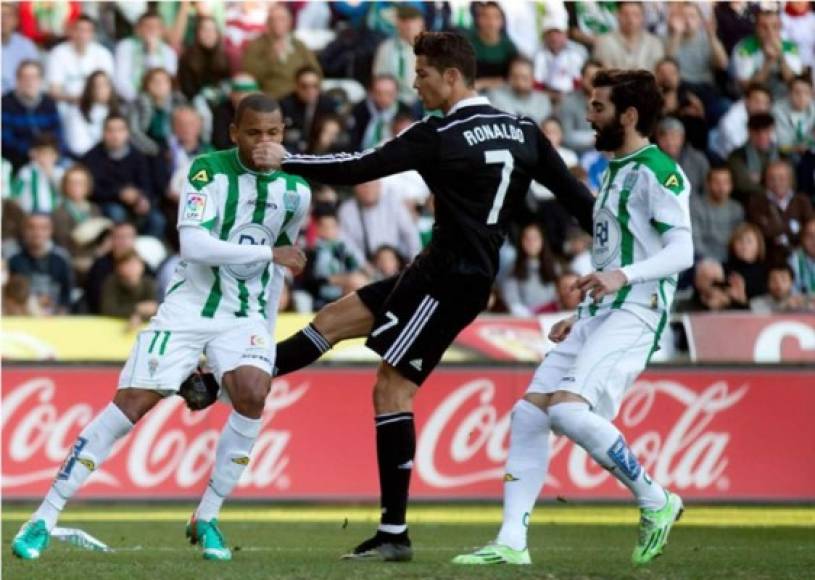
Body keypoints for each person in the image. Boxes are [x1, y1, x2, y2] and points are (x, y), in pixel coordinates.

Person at [180, 30, 594, 562]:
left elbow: (357, 168)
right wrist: (616, 262)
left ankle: (394, 534)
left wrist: (288, 159)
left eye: (421, 73)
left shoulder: (440, 134)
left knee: (391, 389)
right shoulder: (525, 130)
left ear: (451, 76)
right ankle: (216, 384)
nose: (414, 82)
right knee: (333, 319)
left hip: (450, 278)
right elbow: (578, 199)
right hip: (446, 270)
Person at [10, 93, 310, 562]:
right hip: (188, 307)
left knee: (253, 391)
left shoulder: (297, 192)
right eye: (254, 133)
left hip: (246, 314)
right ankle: (42, 518)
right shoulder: (206, 170)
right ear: (234, 133)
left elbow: (280, 272)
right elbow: (193, 244)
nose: (264, 143)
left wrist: (265, 339)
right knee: (131, 405)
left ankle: (207, 516)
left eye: (273, 134)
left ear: (284, 134)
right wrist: (268, 253)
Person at [453, 68, 692, 566]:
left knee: (566, 410)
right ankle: (512, 543)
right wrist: (582, 309)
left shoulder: (658, 171)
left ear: (628, 116)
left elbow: (682, 251)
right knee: (529, 414)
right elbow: (615, 254)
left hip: (638, 311)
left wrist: (622, 277)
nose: (588, 115)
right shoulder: (614, 171)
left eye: (599, 107)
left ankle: (656, 499)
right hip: (601, 310)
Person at [81, 114, 165, 238]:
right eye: (110, 130)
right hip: (106, 203)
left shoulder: (138, 157)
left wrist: (143, 198)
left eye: (120, 130)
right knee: (116, 213)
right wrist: (119, 193)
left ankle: (144, 254)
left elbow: (147, 183)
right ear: (103, 133)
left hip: (135, 203)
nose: (115, 135)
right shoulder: (91, 158)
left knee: (157, 220)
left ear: (127, 133)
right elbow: (91, 190)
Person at [241, 3, 322, 100]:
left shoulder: (299, 45)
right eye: (273, 20)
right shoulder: (256, 45)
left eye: (282, 19)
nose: (277, 23)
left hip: (298, 99)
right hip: (268, 98)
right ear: (267, 23)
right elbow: (249, 77)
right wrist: (270, 59)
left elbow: (316, 72)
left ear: (290, 22)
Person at [337, 179, 422, 266]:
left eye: (371, 185)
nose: (368, 190)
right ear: (356, 188)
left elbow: (410, 233)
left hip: (397, 262)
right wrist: (364, 266)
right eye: (363, 186)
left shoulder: (393, 203)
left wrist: (414, 261)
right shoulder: (346, 210)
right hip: (366, 266)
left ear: (379, 186)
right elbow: (347, 243)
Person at [746, 159, 814, 263]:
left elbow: (810, 229)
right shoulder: (756, 202)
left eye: (782, 178)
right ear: (765, 180)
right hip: (769, 259)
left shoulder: (802, 201)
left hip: (801, 259)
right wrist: (791, 230)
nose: (777, 183)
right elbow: (761, 233)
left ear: (790, 180)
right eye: (772, 178)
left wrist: (777, 229)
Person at [2, 60, 63, 172]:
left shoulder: (49, 103)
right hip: (17, 161)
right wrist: (32, 152)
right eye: (25, 77)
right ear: (17, 80)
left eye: (34, 77)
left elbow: (58, 134)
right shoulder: (5, 104)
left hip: (49, 159)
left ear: (41, 80)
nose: (30, 82)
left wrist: (49, 153)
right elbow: (6, 140)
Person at [8, 213, 74, 315]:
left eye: (43, 228)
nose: (37, 232)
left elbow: (67, 297)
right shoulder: (13, 261)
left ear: (51, 231)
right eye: (31, 227)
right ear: (23, 230)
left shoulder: (61, 260)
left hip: (56, 319)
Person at [732, 8, 803, 99]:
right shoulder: (745, 48)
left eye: (774, 27)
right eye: (764, 27)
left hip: (783, 98)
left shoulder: (790, 47)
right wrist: (768, 61)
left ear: (780, 28)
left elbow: (794, 84)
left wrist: (780, 56)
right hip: (751, 100)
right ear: (756, 28)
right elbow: (747, 88)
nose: (770, 32)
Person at [45, 14, 114, 104]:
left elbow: (108, 89)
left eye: (87, 31)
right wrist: (80, 99)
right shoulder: (57, 53)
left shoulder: (103, 54)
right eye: (79, 30)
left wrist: (88, 101)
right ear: (70, 31)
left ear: (93, 34)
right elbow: (54, 91)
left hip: (97, 105)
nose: (82, 35)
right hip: (66, 107)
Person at [114, 12, 178, 102]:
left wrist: (151, 53)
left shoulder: (168, 52)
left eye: (156, 27)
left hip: (160, 101)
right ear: (138, 29)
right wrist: (138, 100)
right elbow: (120, 81)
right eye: (147, 27)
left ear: (162, 31)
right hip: (131, 100)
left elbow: (167, 82)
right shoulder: (125, 46)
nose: (152, 30)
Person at [500, 223, 560, 316]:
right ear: (521, 242)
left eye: (535, 239)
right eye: (527, 239)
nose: (531, 242)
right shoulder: (512, 268)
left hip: (551, 317)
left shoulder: (554, 266)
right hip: (525, 318)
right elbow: (512, 302)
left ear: (542, 241)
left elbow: (558, 296)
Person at [279, 66, 340, 154]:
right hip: (292, 152)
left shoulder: (328, 103)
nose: (310, 90)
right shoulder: (285, 104)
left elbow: (338, 119)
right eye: (304, 86)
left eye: (315, 86)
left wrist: (334, 125)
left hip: (320, 151)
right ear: (296, 86)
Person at [372, 5, 425, 106]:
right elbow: (379, 80)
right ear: (397, 23)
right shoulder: (386, 48)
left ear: (421, 23)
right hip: (395, 104)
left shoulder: (433, 49)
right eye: (404, 21)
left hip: (425, 102)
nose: (409, 26)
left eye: (413, 21)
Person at [62, 71, 122, 157]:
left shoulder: (118, 111)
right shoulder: (76, 112)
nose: (101, 89)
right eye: (97, 86)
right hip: (85, 160)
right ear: (89, 89)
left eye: (105, 85)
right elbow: (78, 147)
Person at [691, 166, 744, 263]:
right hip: (703, 260)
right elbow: (696, 242)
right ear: (708, 184)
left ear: (731, 185)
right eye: (717, 182)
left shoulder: (737, 208)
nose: (721, 187)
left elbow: (739, 239)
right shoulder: (696, 207)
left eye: (726, 182)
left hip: (732, 260)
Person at [593, 2, 664, 72]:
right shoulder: (604, 43)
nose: (630, 20)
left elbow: (657, 74)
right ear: (617, 15)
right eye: (625, 15)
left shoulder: (654, 43)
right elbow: (603, 74)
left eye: (635, 15)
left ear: (643, 17)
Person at [348, 74, 413, 151]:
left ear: (396, 93)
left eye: (389, 94)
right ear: (371, 93)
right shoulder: (359, 110)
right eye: (379, 93)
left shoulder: (404, 110)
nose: (384, 98)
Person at [531, 12, 588, 99]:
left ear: (566, 34)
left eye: (558, 32)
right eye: (550, 33)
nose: (554, 37)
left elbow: (583, 82)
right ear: (544, 36)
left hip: (574, 97)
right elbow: (536, 85)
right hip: (544, 97)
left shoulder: (579, 51)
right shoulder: (535, 54)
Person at [727, 113, 781, 203]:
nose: (762, 136)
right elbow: (743, 184)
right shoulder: (737, 156)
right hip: (748, 201)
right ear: (749, 132)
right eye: (757, 132)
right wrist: (771, 193)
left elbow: (790, 181)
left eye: (766, 131)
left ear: (772, 131)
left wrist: (759, 179)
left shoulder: (781, 154)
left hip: (779, 200)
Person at [177, 15, 231, 101]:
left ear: (217, 34)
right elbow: (188, 91)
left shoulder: (224, 57)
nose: (208, 33)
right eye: (204, 30)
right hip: (196, 103)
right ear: (197, 33)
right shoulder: (187, 58)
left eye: (212, 30)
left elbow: (227, 85)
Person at [468, 2, 519, 91]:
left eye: (496, 17)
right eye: (486, 17)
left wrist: (483, 83)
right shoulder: (468, 43)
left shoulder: (509, 47)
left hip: (502, 93)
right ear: (478, 19)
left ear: (502, 21)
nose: (491, 22)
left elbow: (513, 79)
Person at [9, 134, 65, 215]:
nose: (46, 158)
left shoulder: (60, 173)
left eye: (50, 154)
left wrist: (50, 174)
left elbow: (63, 192)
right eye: (43, 154)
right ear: (35, 154)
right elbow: (15, 194)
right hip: (31, 214)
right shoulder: (27, 171)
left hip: (54, 215)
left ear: (56, 156)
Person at [655, 116, 709, 198]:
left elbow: (707, 191)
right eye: (664, 137)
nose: (669, 142)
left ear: (682, 137)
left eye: (673, 136)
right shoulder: (652, 160)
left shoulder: (698, 160)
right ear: (657, 139)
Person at [488, 57, 552, 125]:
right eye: (515, 77)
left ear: (533, 78)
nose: (519, 82)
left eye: (524, 78)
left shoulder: (542, 100)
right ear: (509, 77)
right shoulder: (496, 97)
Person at [557, 60, 603, 155]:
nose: (593, 81)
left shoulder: (610, 102)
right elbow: (566, 137)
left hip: (605, 157)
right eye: (589, 77)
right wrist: (594, 138)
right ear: (581, 78)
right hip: (577, 156)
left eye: (597, 78)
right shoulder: (568, 102)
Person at [772, 75, 815, 157]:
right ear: (789, 94)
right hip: (786, 155)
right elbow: (783, 146)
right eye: (797, 92)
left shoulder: (813, 108)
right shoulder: (777, 111)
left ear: (812, 95)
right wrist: (809, 141)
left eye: (806, 93)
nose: (802, 97)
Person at [1, 3, 39, 95]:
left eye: (7, 16)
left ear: (16, 20)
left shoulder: (27, 46)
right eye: (0, 16)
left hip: (19, 99)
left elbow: (35, 77)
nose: (3, 20)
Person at [789, 216, 815, 297]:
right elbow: (791, 293)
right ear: (802, 238)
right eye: (810, 236)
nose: (814, 240)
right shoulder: (793, 260)